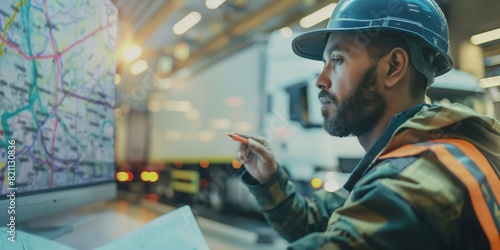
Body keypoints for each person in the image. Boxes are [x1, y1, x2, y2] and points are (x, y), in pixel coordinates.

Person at [235, 0, 500, 249]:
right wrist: (268, 179)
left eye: (337, 60)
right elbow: (319, 222)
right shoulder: (436, 150)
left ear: (393, 67)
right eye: (324, 63)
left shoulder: (408, 186)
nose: (321, 80)